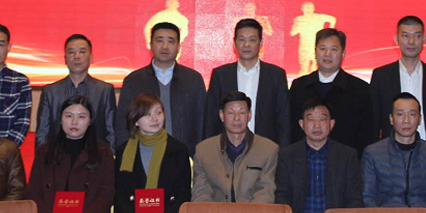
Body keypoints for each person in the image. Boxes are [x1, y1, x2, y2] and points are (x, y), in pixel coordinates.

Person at [26, 96, 115, 213]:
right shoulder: (45, 151)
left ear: (90, 121)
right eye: (68, 116)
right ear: (60, 119)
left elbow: (107, 193)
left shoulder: (103, 153)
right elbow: (33, 191)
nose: (74, 122)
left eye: (81, 116)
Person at [275, 97, 363, 213]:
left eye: (322, 119)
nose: (317, 125)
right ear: (301, 124)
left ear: (332, 124)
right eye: (311, 120)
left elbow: (354, 199)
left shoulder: (347, 156)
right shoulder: (288, 156)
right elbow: (282, 198)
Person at [114, 94, 191, 213]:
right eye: (147, 114)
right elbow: (119, 194)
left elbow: (183, 194)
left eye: (158, 112)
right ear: (135, 120)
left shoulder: (178, 150)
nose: (154, 118)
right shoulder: (123, 152)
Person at [115, 22, 206, 156]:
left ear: (179, 47)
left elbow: (202, 121)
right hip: (143, 153)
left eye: (170, 41)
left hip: (185, 155)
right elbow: (123, 123)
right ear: (150, 45)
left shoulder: (193, 79)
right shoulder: (134, 80)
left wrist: (199, 154)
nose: (165, 46)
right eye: (159, 41)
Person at [370, 16, 426, 155]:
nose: (411, 41)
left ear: (424, 39)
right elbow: (374, 121)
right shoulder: (381, 76)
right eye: (405, 36)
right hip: (390, 155)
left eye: (416, 36)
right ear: (396, 39)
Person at [203, 18, 291, 147]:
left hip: (266, 149)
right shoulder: (220, 75)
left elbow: (283, 120)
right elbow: (211, 119)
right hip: (227, 149)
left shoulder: (276, 75)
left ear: (261, 43)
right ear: (234, 43)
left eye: (252, 40)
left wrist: (283, 152)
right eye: (242, 39)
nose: (247, 45)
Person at [288, 28, 374, 156]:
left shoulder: (360, 89)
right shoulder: (299, 86)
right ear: (315, 52)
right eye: (322, 48)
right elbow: (290, 127)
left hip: (345, 160)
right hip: (304, 158)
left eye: (334, 49)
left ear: (343, 53)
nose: (327, 54)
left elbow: (367, 133)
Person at [192, 91, 278, 203]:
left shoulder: (268, 149)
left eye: (242, 112)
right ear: (222, 115)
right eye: (231, 113)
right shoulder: (204, 150)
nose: (237, 118)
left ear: (249, 115)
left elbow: (266, 192)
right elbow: (201, 192)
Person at [36, 34, 116, 149]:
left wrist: (110, 157)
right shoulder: (50, 92)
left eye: (82, 52)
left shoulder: (104, 90)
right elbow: (43, 133)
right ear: (65, 59)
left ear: (91, 58)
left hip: (94, 156)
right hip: (58, 156)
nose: (76, 56)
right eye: (71, 52)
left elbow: (111, 132)